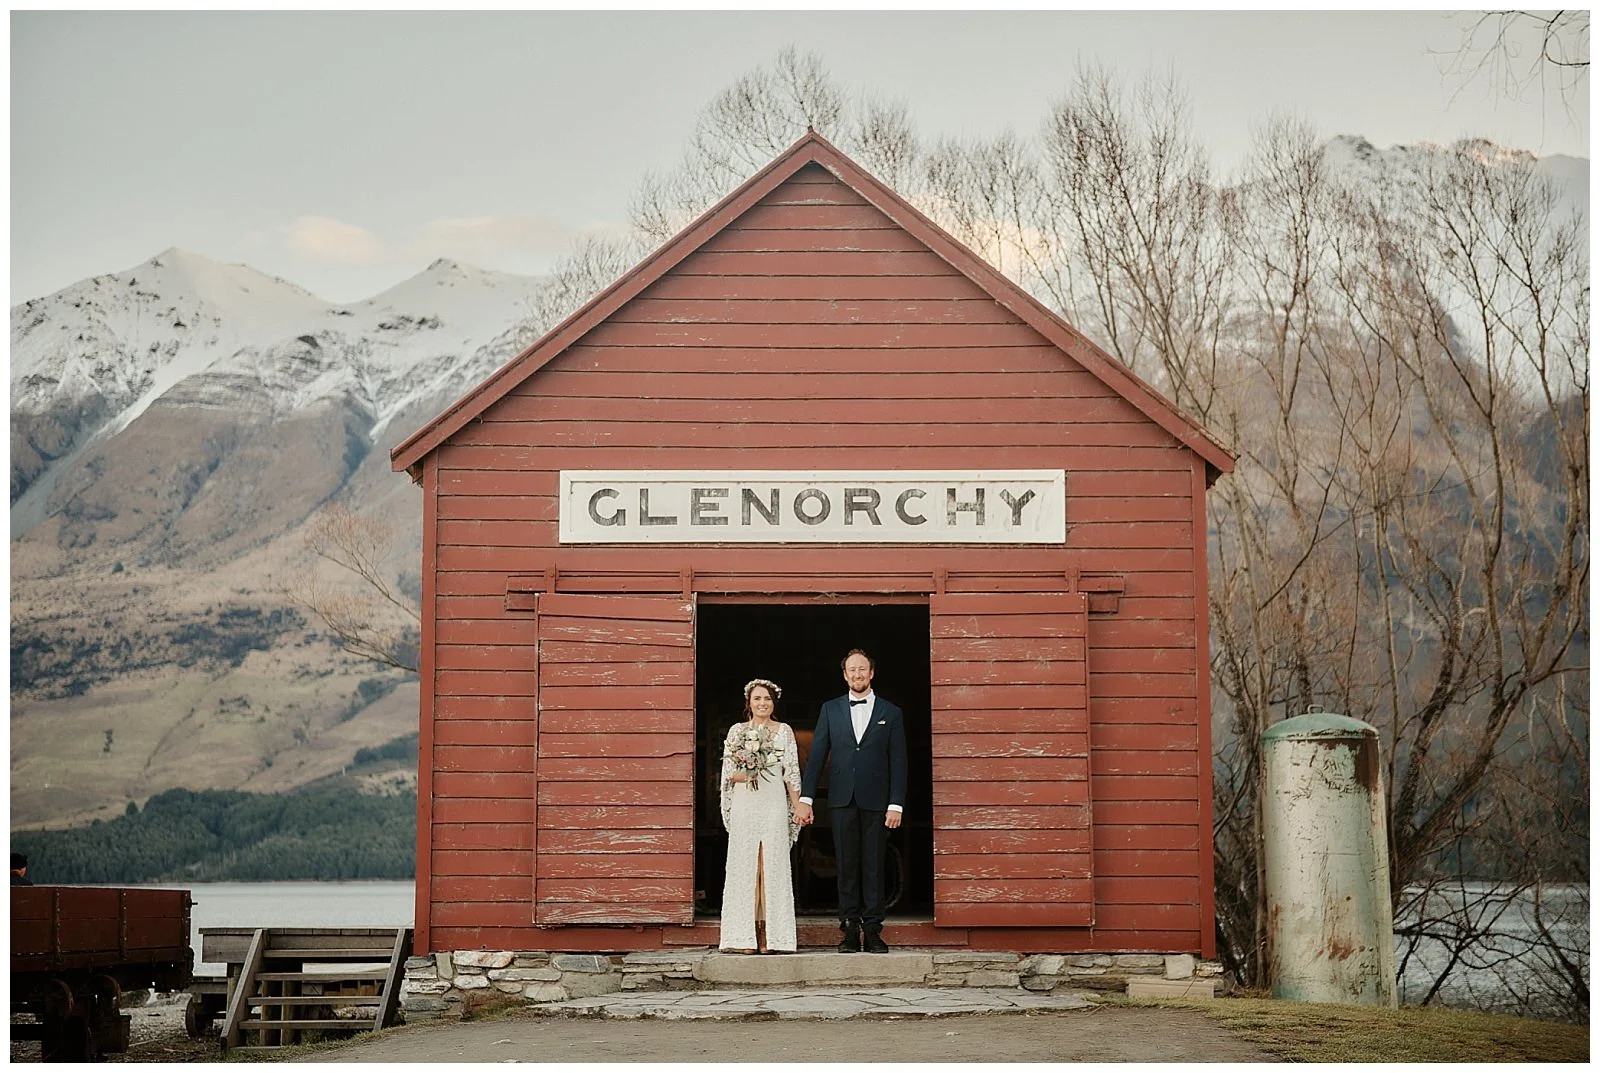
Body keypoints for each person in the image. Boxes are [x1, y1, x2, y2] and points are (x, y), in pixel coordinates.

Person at [797, 649, 908, 954]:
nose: (857, 675)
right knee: (846, 866)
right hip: (842, 799)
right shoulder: (830, 710)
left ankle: (873, 930)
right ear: (844, 675)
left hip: (877, 801)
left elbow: (899, 762)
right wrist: (805, 799)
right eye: (851, 670)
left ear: (871, 673)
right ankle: (848, 929)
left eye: (862, 669)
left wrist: (895, 804)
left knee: (873, 866)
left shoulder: (891, 712)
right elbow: (817, 757)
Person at [718, 679, 803, 954]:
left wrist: (799, 805)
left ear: (773, 702)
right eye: (757, 699)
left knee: (772, 866)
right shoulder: (737, 732)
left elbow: (790, 773)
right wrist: (755, 767)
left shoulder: (784, 732)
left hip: (773, 802)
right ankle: (745, 936)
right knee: (747, 867)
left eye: (766, 698)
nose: (762, 703)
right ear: (749, 703)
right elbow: (730, 773)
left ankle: (771, 935)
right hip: (746, 803)